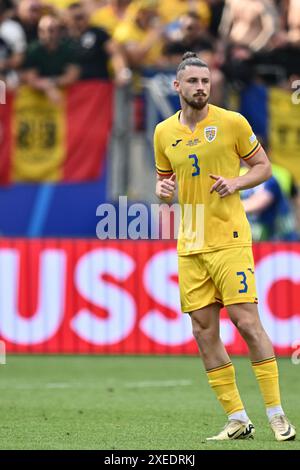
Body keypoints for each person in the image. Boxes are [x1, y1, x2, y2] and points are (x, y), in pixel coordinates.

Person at [153, 51, 296, 441]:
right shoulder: (163, 132)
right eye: (193, 82)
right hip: (191, 243)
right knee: (202, 331)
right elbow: (165, 184)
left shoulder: (232, 122)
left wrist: (237, 182)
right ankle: (237, 418)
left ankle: (277, 413)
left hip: (230, 238)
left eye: (205, 81)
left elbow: (263, 167)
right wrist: (162, 190)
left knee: (246, 322)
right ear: (177, 85)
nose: (201, 88)